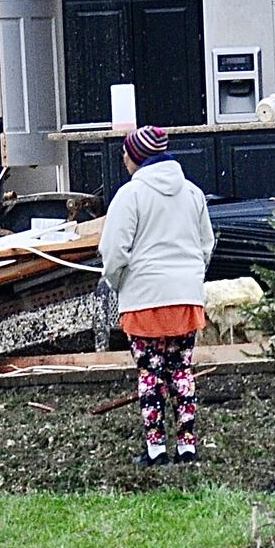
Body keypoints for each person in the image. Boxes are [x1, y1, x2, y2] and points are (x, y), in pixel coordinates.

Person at [101, 125, 215, 466]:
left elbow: (114, 252)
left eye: (126, 153)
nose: (123, 159)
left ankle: (155, 449)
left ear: (137, 157)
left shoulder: (129, 196)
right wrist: (190, 280)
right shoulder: (193, 193)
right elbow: (205, 246)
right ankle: (187, 446)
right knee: (182, 371)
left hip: (143, 301)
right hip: (185, 301)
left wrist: (119, 283)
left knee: (150, 375)